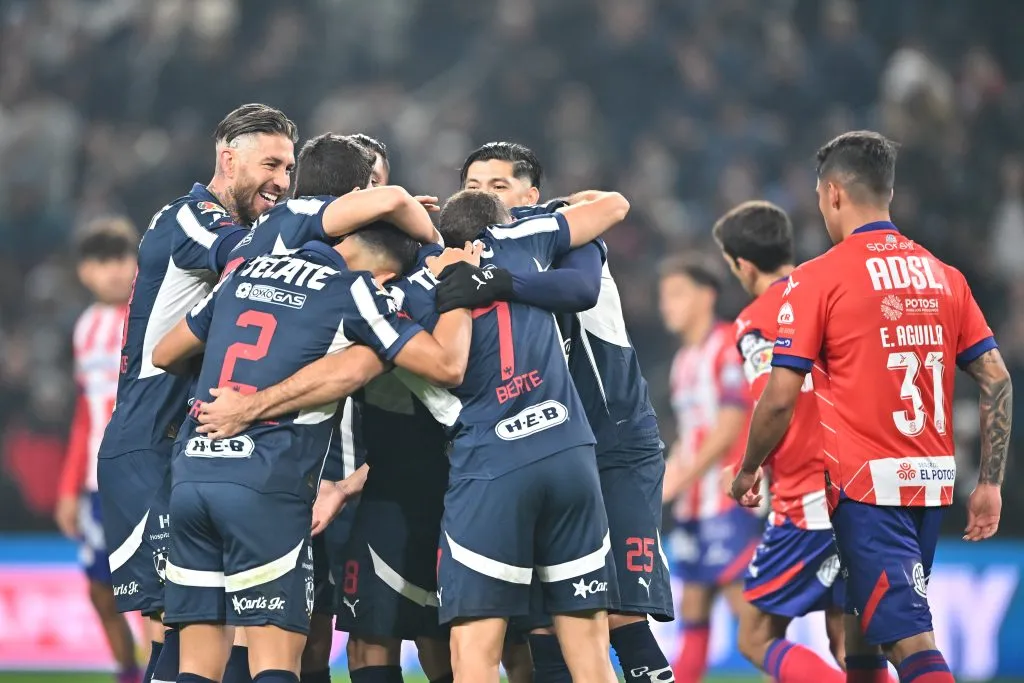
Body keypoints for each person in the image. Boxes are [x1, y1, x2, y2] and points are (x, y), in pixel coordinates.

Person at [191, 188, 631, 683]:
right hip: (570, 452)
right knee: (589, 650)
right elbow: (615, 206)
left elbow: (356, 367)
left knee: (474, 650)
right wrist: (556, 215)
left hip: (491, 464)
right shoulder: (525, 236)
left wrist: (251, 405)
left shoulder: (404, 291)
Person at [730, 131, 1010, 683]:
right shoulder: (943, 276)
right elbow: (996, 377)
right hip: (931, 485)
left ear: (833, 194)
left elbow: (780, 398)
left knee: (911, 647)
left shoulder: (819, 278)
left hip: (867, 492)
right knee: (861, 648)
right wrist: (991, 481)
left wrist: (747, 467)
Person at [152, 224, 477, 683]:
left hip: (192, 473)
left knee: (198, 664)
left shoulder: (243, 271)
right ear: (385, 276)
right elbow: (442, 365)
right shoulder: (358, 291)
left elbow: (165, 352)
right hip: (266, 482)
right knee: (277, 659)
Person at [445, 141, 675, 683]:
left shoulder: (563, 233)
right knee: (546, 624)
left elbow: (579, 288)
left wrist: (501, 281)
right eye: (473, 188)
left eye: (498, 187)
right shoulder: (469, 257)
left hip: (614, 441)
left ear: (531, 195)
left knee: (620, 614)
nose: (485, 198)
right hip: (545, 448)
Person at [227, 131, 448, 683]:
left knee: (405, 631)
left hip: (367, 475)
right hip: (303, 468)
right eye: (368, 186)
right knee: (302, 634)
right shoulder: (321, 258)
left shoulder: (377, 263)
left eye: (381, 186)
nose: (377, 197)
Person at [96, 103, 298, 683]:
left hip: (193, 445)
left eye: (289, 169)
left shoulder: (240, 220)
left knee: (212, 621)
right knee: (176, 625)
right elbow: (251, 259)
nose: (281, 182)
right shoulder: (188, 218)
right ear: (227, 157)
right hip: (147, 445)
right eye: (270, 164)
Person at [712, 200, 847, 683]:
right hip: (862, 485)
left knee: (753, 636)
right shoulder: (830, 293)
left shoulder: (755, 320)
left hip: (807, 496)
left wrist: (750, 467)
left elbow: (777, 401)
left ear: (741, 264)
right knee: (849, 643)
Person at [657, 255, 759, 683]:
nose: (667, 306)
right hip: (694, 510)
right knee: (694, 612)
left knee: (753, 627)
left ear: (706, 297)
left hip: (728, 502)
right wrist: (663, 479)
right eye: (664, 298)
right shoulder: (683, 362)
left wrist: (682, 477)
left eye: (677, 295)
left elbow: (731, 426)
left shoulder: (727, 346)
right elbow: (691, 434)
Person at [55, 218, 143, 683]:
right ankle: (128, 671)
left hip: (145, 476)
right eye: (99, 262)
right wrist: (68, 488)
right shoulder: (85, 327)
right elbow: (86, 413)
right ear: (84, 271)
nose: (111, 271)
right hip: (96, 484)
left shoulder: (148, 313)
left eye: (120, 259)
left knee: (155, 590)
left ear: (135, 262)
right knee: (99, 591)